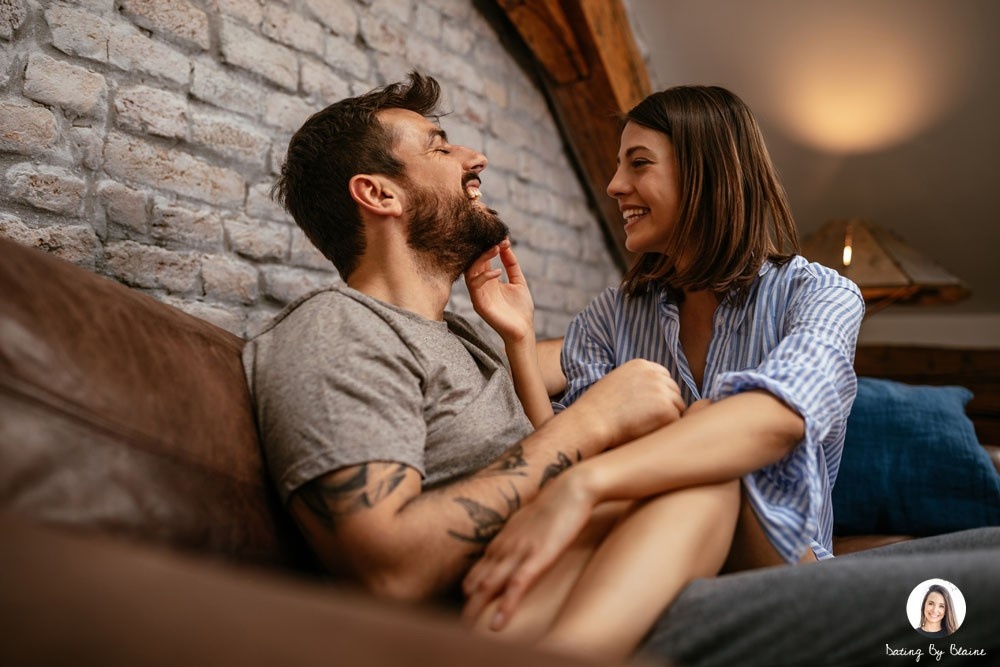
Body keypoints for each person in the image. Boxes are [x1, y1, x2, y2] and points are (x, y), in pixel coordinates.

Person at [242, 72, 684, 613]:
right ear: (380, 193)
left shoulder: (463, 335)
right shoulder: (335, 329)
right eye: (440, 147)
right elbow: (390, 568)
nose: (476, 159)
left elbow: (589, 358)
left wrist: (521, 335)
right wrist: (592, 420)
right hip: (544, 612)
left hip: (618, 575)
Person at [460, 85, 865, 659]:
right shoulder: (613, 313)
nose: (615, 185)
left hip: (776, 561)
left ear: (708, 173)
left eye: (639, 163)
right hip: (643, 543)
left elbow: (776, 421)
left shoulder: (822, 295)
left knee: (707, 436)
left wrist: (586, 484)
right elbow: (562, 446)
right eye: (618, 166)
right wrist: (520, 339)